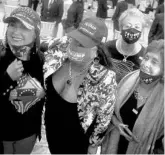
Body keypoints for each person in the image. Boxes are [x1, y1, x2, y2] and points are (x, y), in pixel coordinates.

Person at [43, 17, 117, 154]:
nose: (76, 44)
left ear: (97, 48)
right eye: (76, 38)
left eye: (83, 43)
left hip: (77, 142)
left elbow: (104, 118)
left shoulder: (105, 78)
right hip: (51, 131)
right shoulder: (59, 52)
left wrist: (94, 145)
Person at [101, 39, 164, 154]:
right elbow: (109, 109)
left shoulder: (163, 99)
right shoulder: (128, 79)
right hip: (113, 147)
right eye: (146, 58)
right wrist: (116, 123)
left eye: (154, 62)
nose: (146, 64)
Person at [0, 7, 45, 154]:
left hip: (27, 131)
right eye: (12, 25)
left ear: (35, 34)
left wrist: (38, 93)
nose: (15, 32)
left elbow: (44, 93)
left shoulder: (41, 59)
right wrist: (7, 78)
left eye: (24, 27)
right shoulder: (1, 55)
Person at [106, 8, 146, 83]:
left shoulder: (144, 56)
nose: (132, 30)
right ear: (121, 28)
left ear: (142, 31)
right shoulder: (107, 48)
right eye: (128, 26)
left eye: (137, 27)